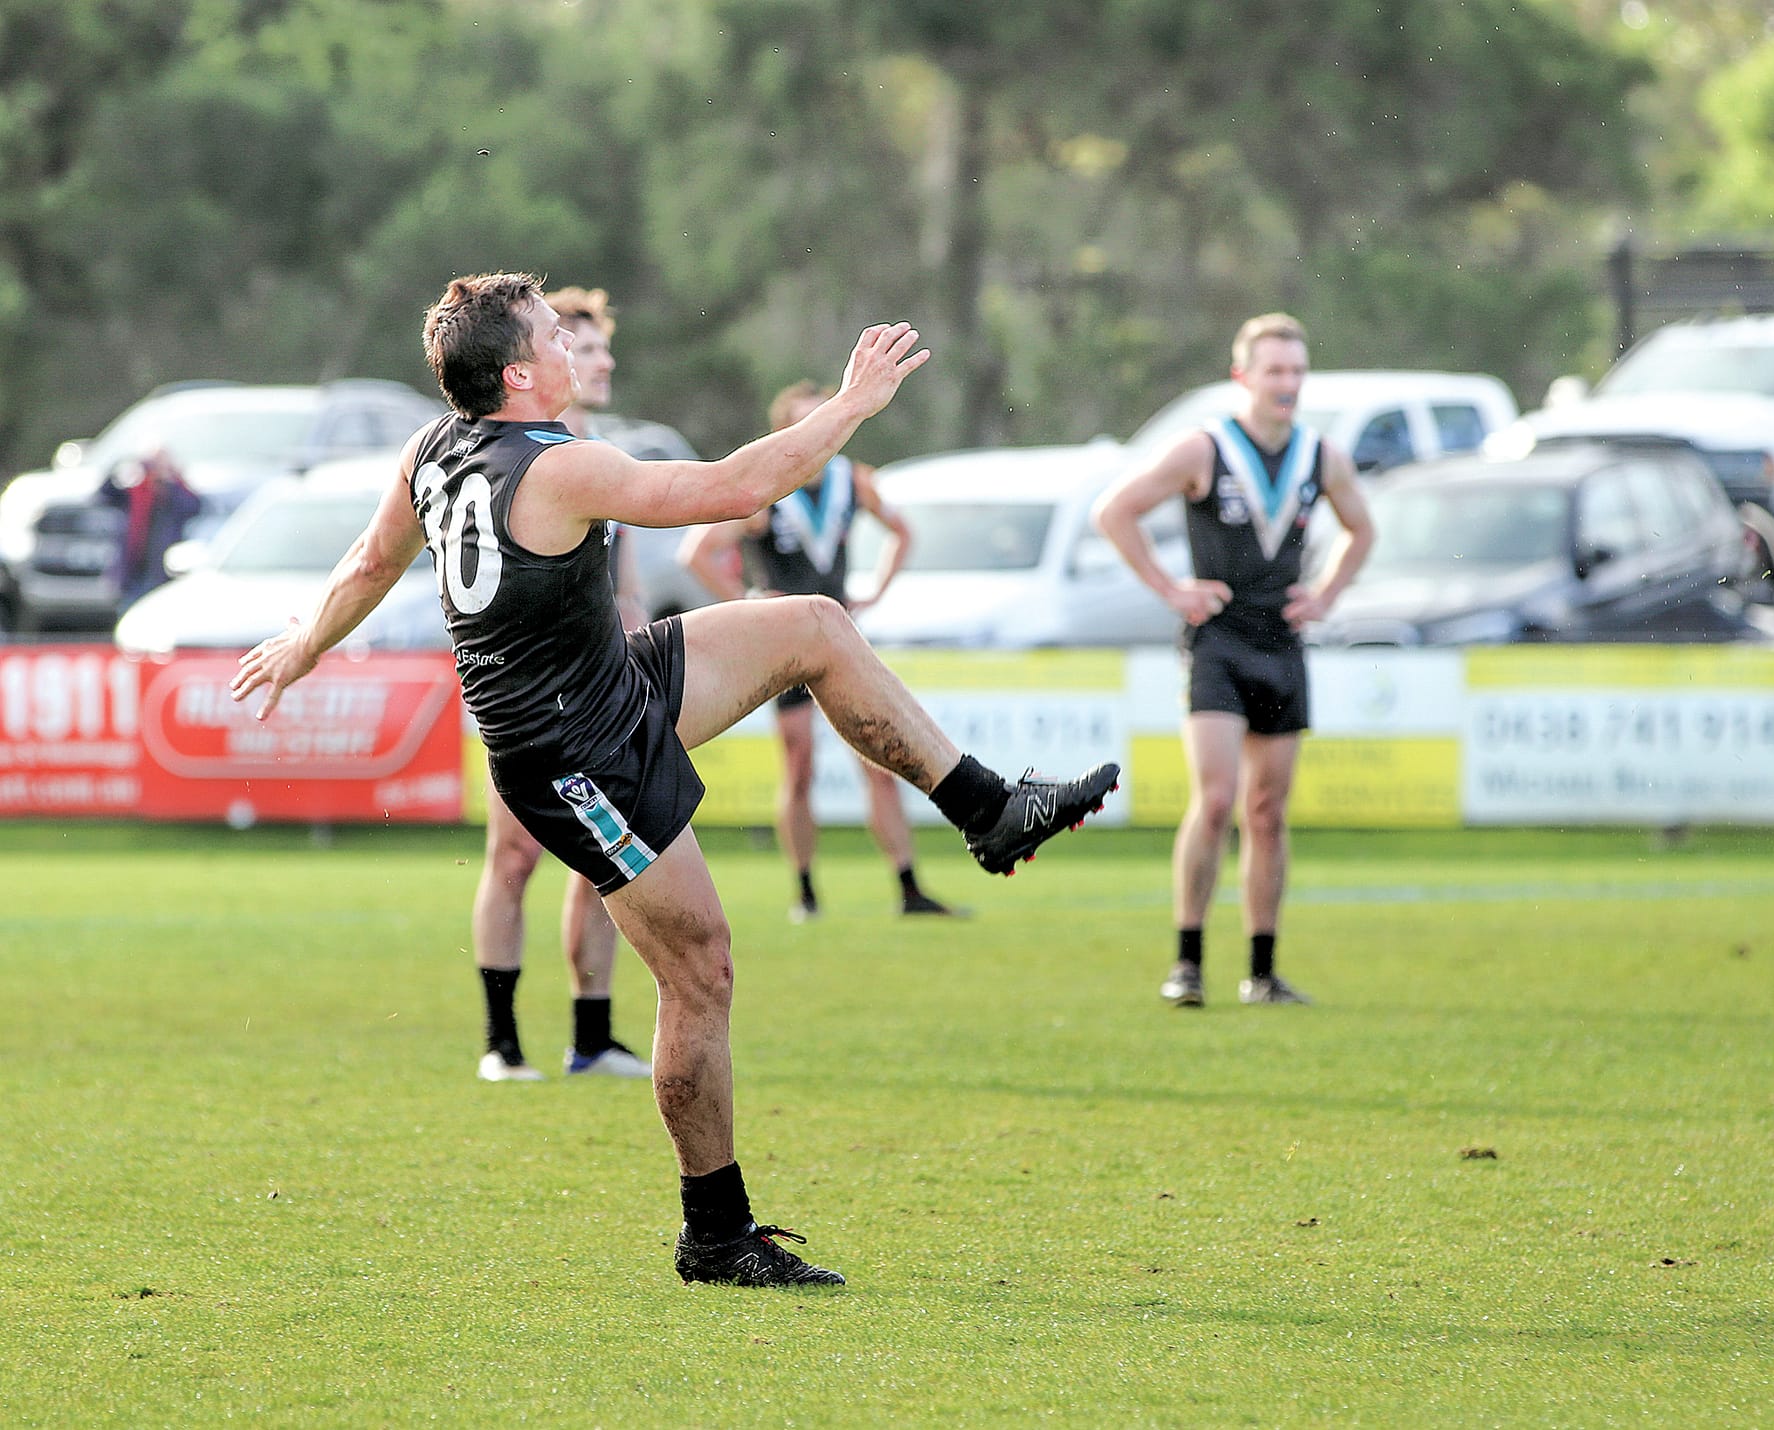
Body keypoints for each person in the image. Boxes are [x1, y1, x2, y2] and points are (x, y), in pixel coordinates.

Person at [231, 272, 1119, 1288]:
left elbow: (365, 561)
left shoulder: (431, 450)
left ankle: (988, 809)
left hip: (608, 685)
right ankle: (715, 1232)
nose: (573, 345)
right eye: (553, 335)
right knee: (701, 970)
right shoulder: (559, 467)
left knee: (814, 625)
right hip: (572, 754)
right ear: (518, 373)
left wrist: (303, 644)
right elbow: (737, 489)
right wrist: (851, 406)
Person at [1091, 312, 1373, 1009]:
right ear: (1242, 376)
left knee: (1268, 812)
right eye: (1275, 371)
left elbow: (1362, 529)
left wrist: (1327, 593)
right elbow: (1114, 512)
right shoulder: (1204, 450)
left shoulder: (1320, 456)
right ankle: (1187, 961)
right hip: (1217, 642)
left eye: (1297, 372)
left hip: (1282, 644)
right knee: (1215, 801)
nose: (1288, 384)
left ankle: (1263, 971)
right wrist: (1170, 589)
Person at [679, 380, 959, 923]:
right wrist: (749, 603)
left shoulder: (850, 480)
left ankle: (908, 887)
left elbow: (903, 532)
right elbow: (699, 553)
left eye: (823, 419)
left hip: (842, 640)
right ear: (787, 433)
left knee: (881, 758)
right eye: (805, 423)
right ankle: (805, 892)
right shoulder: (767, 491)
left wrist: (874, 591)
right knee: (801, 764)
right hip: (787, 649)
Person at [470, 285, 650, 1084]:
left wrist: (638, 660)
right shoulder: (517, 452)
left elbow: (627, 584)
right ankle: (502, 1045)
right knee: (512, 858)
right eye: (584, 343)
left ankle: (592, 1037)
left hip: (598, 689)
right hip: (525, 695)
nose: (601, 358)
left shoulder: (600, 455)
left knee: (602, 859)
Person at [98, 450, 201, 613]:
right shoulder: (134, 489)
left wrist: (172, 479)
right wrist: (122, 469)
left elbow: (193, 506)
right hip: (134, 571)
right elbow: (104, 494)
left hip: (163, 571)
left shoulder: (174, 491)